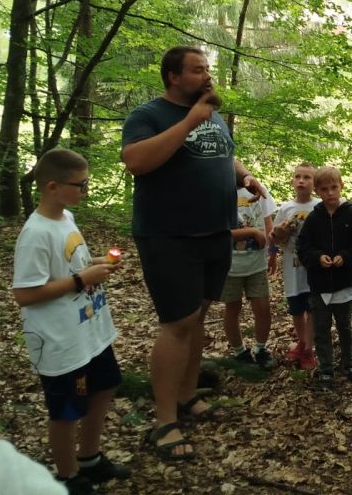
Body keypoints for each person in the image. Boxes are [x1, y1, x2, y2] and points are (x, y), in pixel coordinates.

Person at [121, 46, 265, 460]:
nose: (206, 75)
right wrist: (189, 121)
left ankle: (186, 396)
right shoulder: (149, 116)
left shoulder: (211, 115)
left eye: (207, 69)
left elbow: (224, 155)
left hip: (215, 235)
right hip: (170, 237)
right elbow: (135, 161)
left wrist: (246, 176)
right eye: (198, 70)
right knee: (177, 324)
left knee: (198, 318)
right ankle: (164, 422)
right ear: (173, 76)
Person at [12, 149, 129, 495]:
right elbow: (25, 294)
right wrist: (82, 279)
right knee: (66, 409)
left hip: (89, 330)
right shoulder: (35, 233)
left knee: (105, 385)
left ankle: (89, 457)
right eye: (81, 185)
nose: (86, 191)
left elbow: (71, 264)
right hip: (60, 339)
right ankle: (67, 475)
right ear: (52, 186)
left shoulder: (66, 218)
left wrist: (97, 263)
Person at [295, 165, 352, 386]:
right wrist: (318, 258)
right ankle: (326, 368)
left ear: (342, 186)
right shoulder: (314, 218)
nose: (330, 193)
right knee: (321, 328)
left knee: (344, 326)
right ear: (317, 191)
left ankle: (349, 364)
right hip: (319, 285)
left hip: (344, 283)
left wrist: (346, 257)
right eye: (324, 189)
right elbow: (303, 246)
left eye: (334, 187)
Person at [221, 181, 276, 367]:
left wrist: (272, 252)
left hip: (256, 264)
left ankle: (260, 349)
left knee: (263, 307)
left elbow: (268, 224)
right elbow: (218, 233)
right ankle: (239, 352)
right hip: (230, 266)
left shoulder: (258, 190)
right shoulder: (220, 190)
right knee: (232, 307)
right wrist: (251, 232)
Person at [270, 162, 319, 369]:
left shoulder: (319, 206)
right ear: (292, 181)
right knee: (296, 308)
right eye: (298, 176)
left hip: (314, 269)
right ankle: (302, 341)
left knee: (312, 308)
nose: (301, 181)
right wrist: (276, 241)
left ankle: (309, 349)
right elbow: (275, 236)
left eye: (307, 177)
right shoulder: (286, 208)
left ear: (314, 183)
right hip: (292, 267)